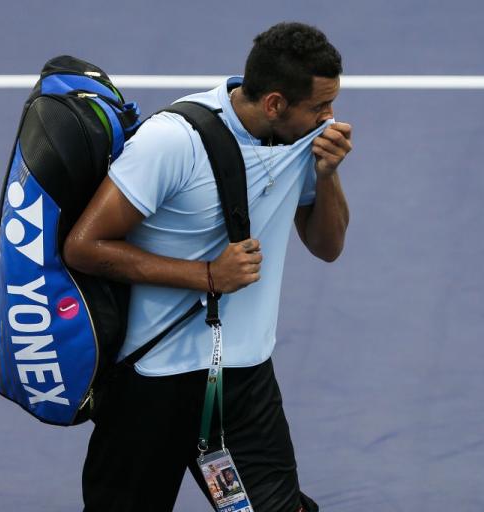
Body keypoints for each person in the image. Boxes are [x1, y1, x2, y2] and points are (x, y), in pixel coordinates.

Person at [63, 21, 351, 512]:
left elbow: (328, 246)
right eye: (319, 106)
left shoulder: (303, 143)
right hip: (152, 383)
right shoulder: (171, 142)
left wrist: (327, 177)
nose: (330, 117)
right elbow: (84, 246)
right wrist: (207, 277)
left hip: (244, 378)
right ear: (275, 104)